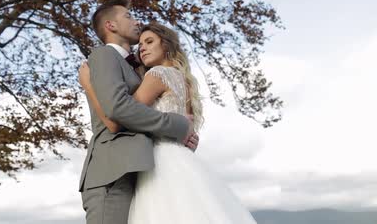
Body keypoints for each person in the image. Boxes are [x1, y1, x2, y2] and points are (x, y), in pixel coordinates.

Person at [79, 22, 258, 224]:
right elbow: (187, 129)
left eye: (149, 41)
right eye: (140, 45)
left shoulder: (156, 75)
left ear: (166, 45)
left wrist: (89, 85)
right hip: (182, 161)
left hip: (160, 162)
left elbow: (122, 114)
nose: (143, 48)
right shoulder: (186, 81)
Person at [78, 0, 199, 224]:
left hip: (138, 170)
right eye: (128, 17)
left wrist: (185, 137)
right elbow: (117, 112)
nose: (136, 21)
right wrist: (178, 126)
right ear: (111, 26)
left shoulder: (139, 71)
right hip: (111, 171)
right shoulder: (105, 55)